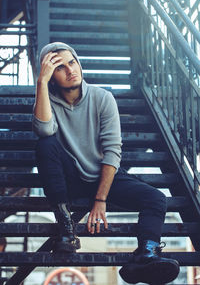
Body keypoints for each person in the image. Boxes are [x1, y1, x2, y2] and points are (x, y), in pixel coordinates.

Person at [32, 42, 179, 284]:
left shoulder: (102, 98)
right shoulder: (47, 101)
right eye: (59, 67)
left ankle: (146, 254)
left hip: (103, 177)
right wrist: (41, 83)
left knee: (156, 198)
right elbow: (44, 129)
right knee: (46, 144)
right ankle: (67, 229)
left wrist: (100, 199)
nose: (70, 70)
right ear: (50, 76)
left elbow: (112, 151)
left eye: (72, 62)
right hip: (69, 179)